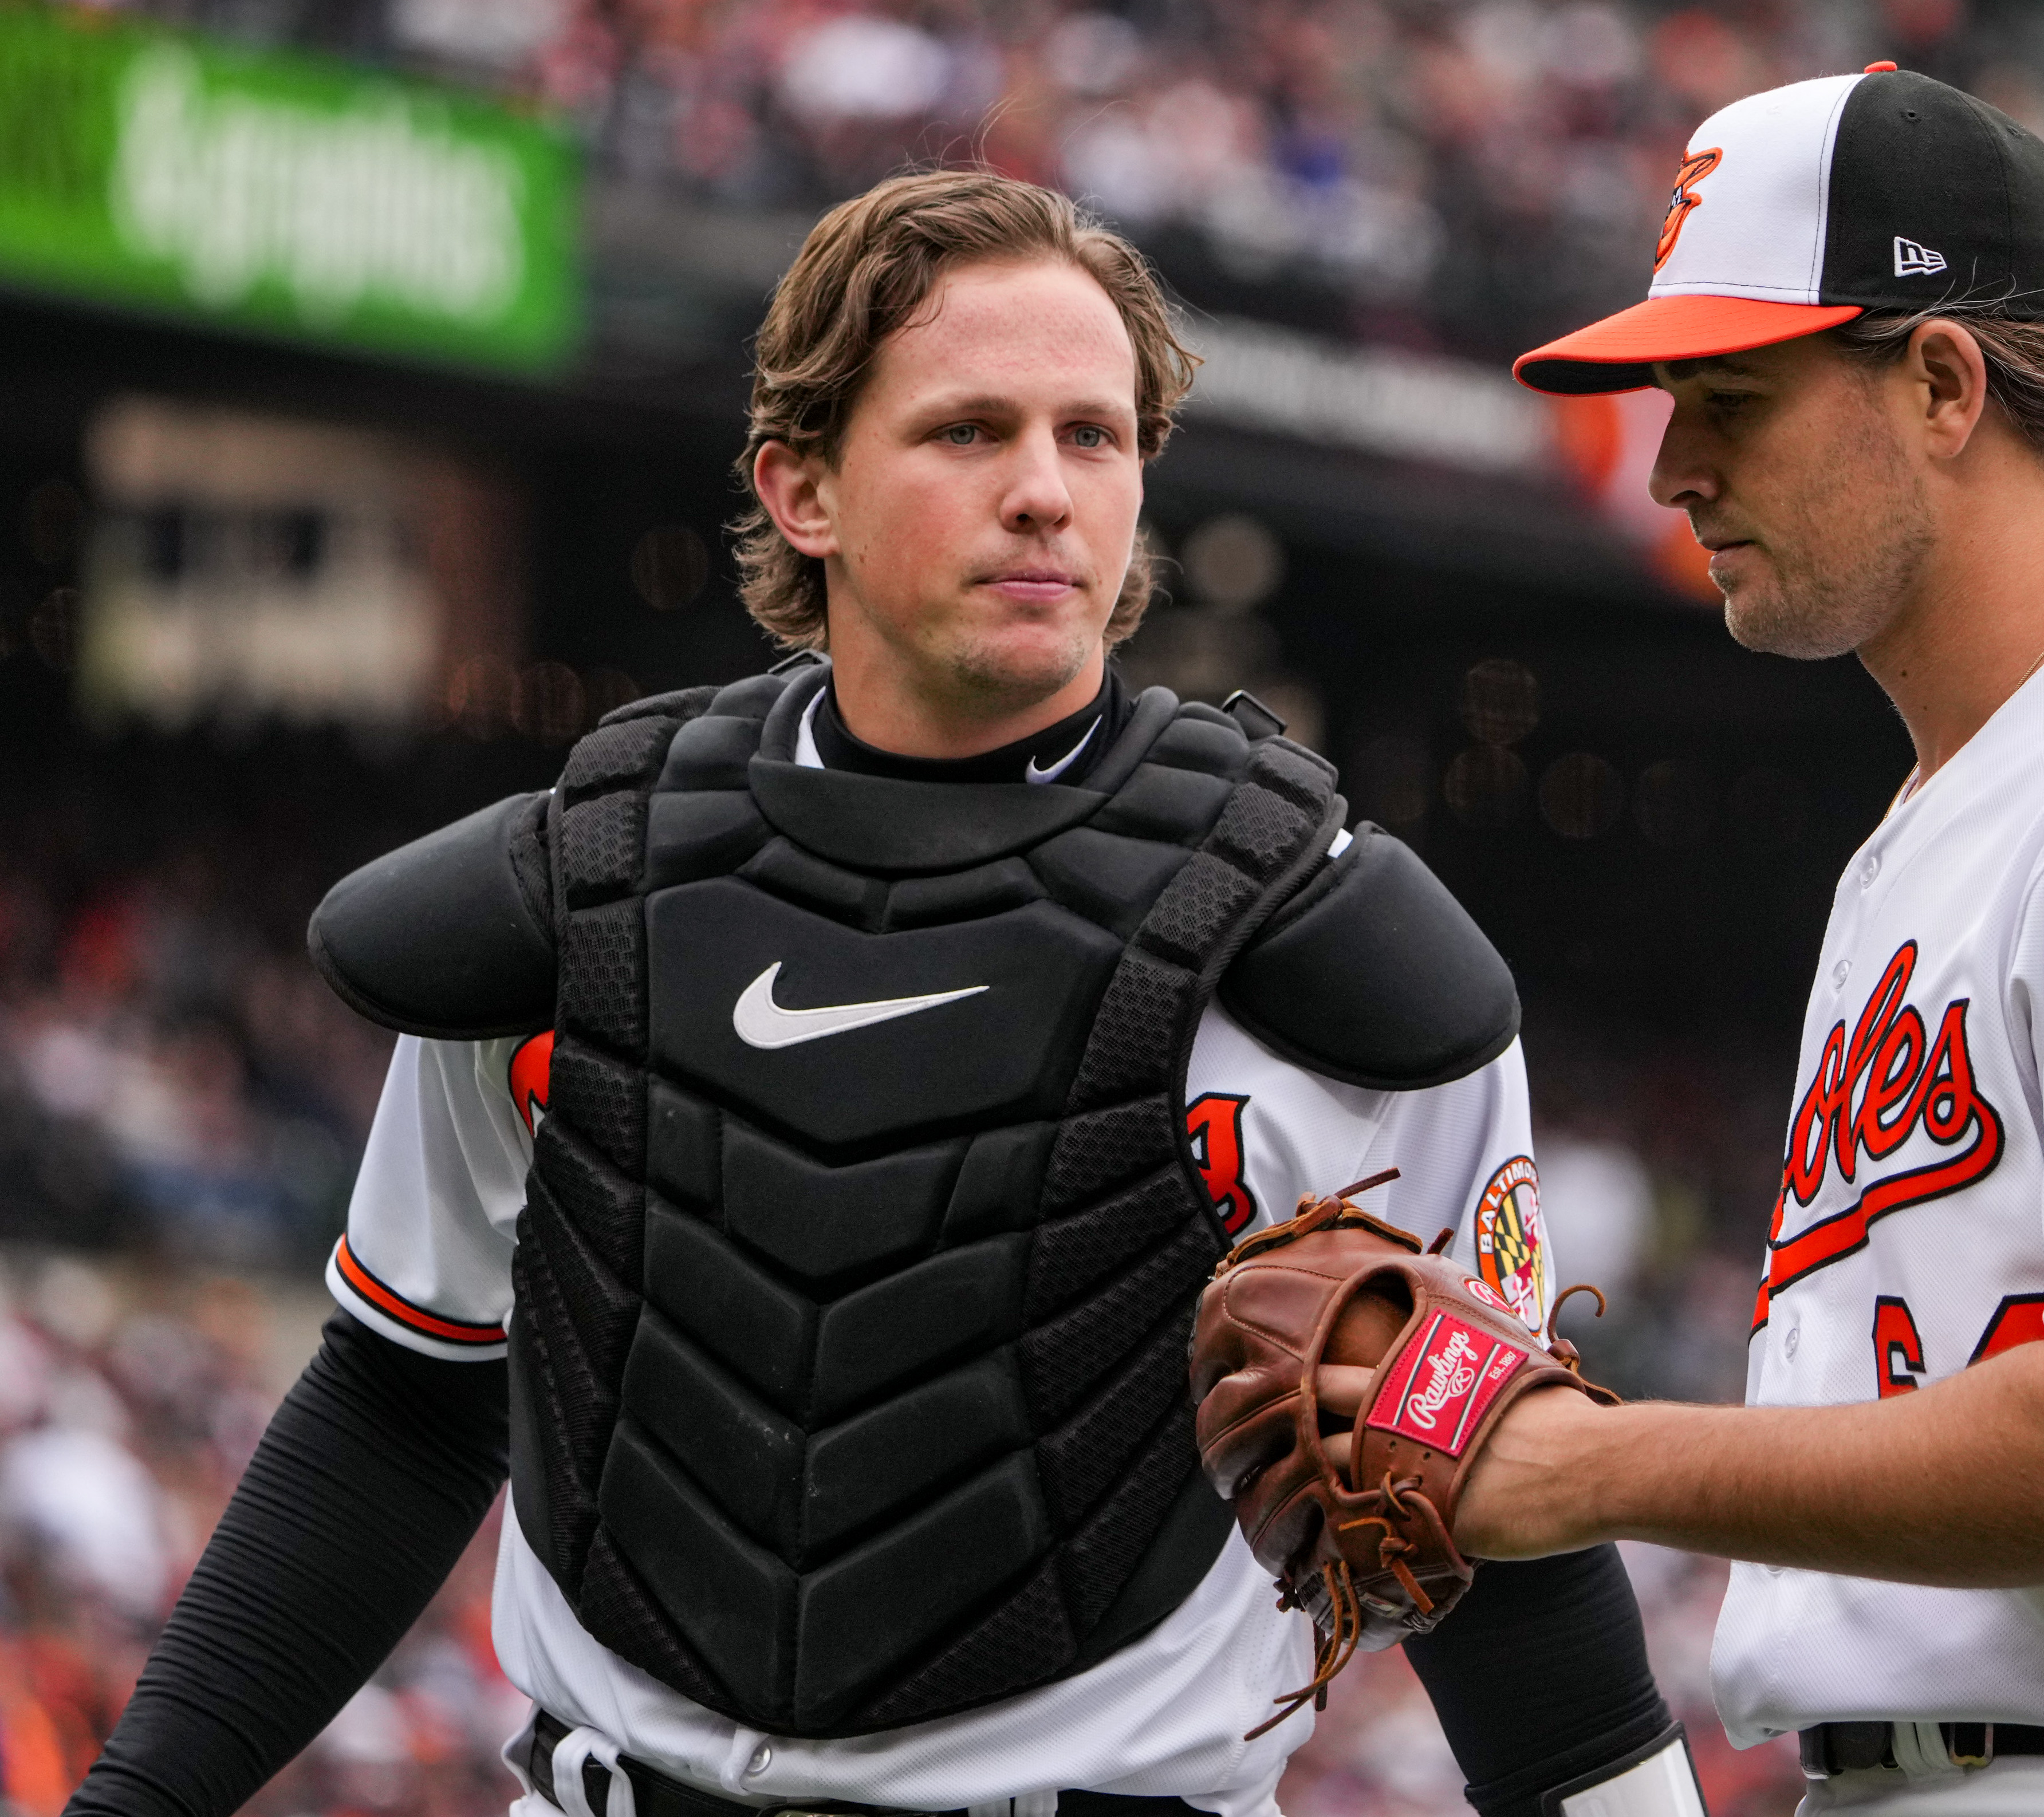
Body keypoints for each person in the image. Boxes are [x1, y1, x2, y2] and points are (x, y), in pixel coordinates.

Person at [67, 170, 1702, 1817]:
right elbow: (404, 1404)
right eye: (969, 432)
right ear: (802, 490)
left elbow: (1477, 1524)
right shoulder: (592, 891)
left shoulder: (1322, 949)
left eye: (1095, 436)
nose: (1047, 492)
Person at [1371, 65, 2044, 1815]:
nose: (1671, 467)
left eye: (1732, 396)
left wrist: (1594, 1464)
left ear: (1943, 383)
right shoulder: (1938, 835)